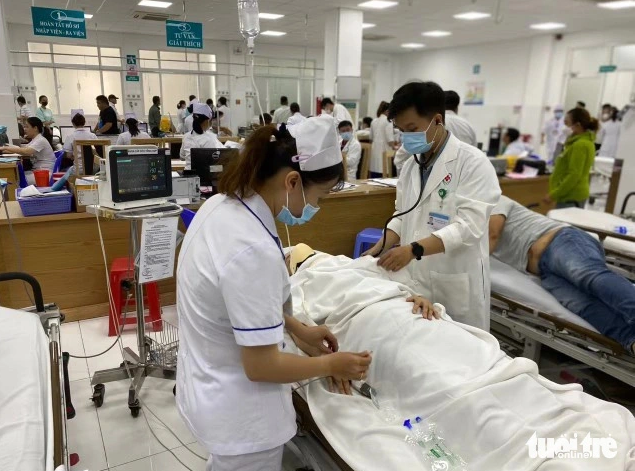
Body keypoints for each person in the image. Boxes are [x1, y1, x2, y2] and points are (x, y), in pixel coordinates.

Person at [176, 116, 371, 471]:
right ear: (292, 181)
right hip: (242, 418)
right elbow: (260, 365)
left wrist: (297, 328)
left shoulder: (223, 207)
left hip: (210, 389)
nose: (317, 207)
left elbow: (236, 303)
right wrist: (330, 363)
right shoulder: (251, 249)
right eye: (320, 196)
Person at [363, 81, 501, 330]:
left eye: (412, 128)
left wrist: (413, 249)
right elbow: (402, 215)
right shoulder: (411, 166)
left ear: (437, 120)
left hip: (454, 281)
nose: (406, 137)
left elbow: (469, 228)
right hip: (415, 281)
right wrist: (378, 247)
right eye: (401, 130)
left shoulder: (473, 164)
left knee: (459, 352)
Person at [489, 196, 635, 355]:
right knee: (581, 305)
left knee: (590, 277)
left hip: (560, 240)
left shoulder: (490, 199)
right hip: (543, 272)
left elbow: (493, 234)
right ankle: (630, 339)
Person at [545, 107, 597, 209]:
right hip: (568, 195)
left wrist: (554, 194)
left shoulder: (580, 145)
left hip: (571, 196)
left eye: (567, 123)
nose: (564, 127)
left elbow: (574, 175)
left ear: (577, 125)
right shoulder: (580, 142)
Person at [1, 117, 56, 185]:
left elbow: (26, 151)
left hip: (44, 174)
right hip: (39, 171)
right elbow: (20, 150)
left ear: (35, 128)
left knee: (14, 180)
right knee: (14, 176)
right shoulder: (35, 140)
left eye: (27, 127)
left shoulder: (40, 140)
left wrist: (3, 148)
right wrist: (4, 150)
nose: (25, 129)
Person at [180, 103, 224, 170]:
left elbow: (182, 157)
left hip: (187, 175)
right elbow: (216, 159)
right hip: (203, 176)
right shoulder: (210, 138)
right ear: (207, 121)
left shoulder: (186, 136)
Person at [369, 101, 395, 177]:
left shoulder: (374, 121)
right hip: (384, 155)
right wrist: (396, 147)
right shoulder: (388, 121)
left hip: (374, 155)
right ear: (387, 111)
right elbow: (390, 141)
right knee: (384, 178)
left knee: (374, 179)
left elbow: (370, 139)